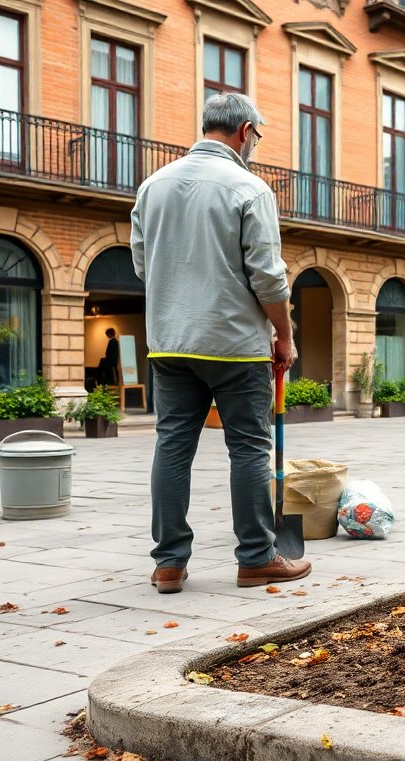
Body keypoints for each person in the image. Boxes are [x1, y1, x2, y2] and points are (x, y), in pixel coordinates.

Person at [130, 93, 309, 593]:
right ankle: (256, 558)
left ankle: (169, 563)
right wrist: (285, 336)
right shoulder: (249, 188)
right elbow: (268, 277)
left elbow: (143, 266)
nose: (256, 144)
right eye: (258, 136)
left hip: (169, 343)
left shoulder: (152, 186)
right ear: (245, 131)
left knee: (172, 446)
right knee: (249, 448)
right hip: (234, 345)